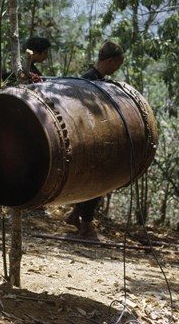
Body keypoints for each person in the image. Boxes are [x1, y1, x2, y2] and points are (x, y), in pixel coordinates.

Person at [64, 41, 125, 240]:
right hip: (87, 138)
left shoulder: (96, 79)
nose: (117, 69)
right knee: (97, 181)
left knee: (95, 181)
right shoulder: (88, 81)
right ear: (110, 61)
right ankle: (86, 226)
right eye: (117, 64)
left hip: (91, 137)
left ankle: (76, 215)